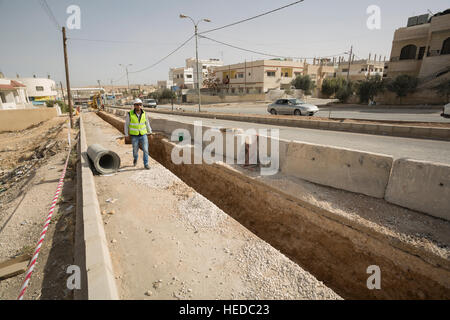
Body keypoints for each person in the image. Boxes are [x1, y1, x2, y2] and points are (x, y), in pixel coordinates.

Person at [124, 98, 152, 169]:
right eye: (137, 105)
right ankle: (135, 158)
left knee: (145, 149)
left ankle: (146, 164)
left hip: (143, 134)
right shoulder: (130, 114)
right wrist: (126, 135)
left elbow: (147, 123)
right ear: (134, 106)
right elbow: (126, 125)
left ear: (141, 105)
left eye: (140, 104)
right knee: (135, 150)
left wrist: (150, 132)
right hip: (134, 136)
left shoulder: (144, 114)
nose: (138, 106)